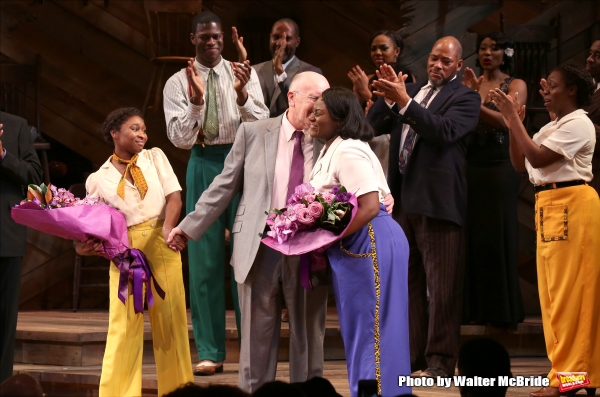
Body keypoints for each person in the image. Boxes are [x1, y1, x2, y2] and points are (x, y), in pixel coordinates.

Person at [167, 72, 331, 393]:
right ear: (292, 97)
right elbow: (223, 187)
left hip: (309, 251)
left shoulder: (330, 140)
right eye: (314, 98)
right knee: (255, 344)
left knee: (308, 342)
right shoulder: (254, 132)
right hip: (260, 248)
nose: (319, 107)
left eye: (324, 100)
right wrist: (188, 227)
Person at [163, 10, 269, 375]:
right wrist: (195, 102)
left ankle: (251, 347)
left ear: (224, 38)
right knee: (204, 260)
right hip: (204, 160)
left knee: (246, 257)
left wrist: (241, 96)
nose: (212, 42)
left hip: (241, 162)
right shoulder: (177, 82)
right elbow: (179, 138)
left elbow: (262, 123)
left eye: (217, 37)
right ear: (193, 39)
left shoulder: (241, 73)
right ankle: (210, 351)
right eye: (205, 37)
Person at [367, 36, 481, 378]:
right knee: (408, 283)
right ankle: (412, 358)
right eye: (434, 58)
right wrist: (389, 97)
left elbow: (443, 131)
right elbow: (372, 127)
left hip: (438, 204)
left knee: (442, 289)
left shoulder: (466, 98)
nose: (437, 65)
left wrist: (404, 102)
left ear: (458, 66)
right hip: (403, 201)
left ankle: (440, 363)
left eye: (446, 61)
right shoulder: (410, 90)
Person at [493, 64, 599, 397]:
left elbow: (537, 159)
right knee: (552, 297)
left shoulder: (579, 122)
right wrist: (516, 125)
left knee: (570, 296)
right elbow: (518, 162)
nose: (545, 90)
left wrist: (512, 120)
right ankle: (566, 373)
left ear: (572, 91)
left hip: (572, 203)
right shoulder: (554, 126)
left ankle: (573, 377)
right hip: (550, 205)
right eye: (544, 85)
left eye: (552, 85)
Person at [75, 108, 193, 396]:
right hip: (125, 254)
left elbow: (174, 197)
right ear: (115, 133)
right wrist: (83, 246)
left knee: (171, 327)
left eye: (143, 129)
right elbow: (91, 223)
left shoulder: (155, 157)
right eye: (134, 128)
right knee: (123, 329)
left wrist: (168, 228)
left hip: (162, 245)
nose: (142, 134)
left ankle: (179, 392)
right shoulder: (97, 178)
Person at [308, 87, 411, 397]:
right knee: (363, 329)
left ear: (339, 118)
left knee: (371, 330)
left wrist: (326, 241)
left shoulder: (349, 149)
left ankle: (378, 393)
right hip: (359, 243)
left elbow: (369, 206)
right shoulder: (332, 148)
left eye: (319, 111)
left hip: (368, 241)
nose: (312, 115)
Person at [460, 32, 526, 330]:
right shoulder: (470, 82)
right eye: (483, 47)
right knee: (471, 236)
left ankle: (500, 310)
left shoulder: (515, 84)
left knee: (496, 234)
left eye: (494, 47)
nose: (488, 52)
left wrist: (473, 100)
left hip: (500, 165)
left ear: (506, 52)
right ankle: (472, 307)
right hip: (470, 164)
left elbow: (508, 121)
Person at [0, 112, 42, 383]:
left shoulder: (16, 125)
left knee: (4, 322)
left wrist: (3, 155)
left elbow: (35, 179)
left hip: (5, 236)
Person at [348, 30, 415, 177]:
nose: (377, 52)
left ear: (397, 50)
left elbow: (403, 110)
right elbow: (357, 111)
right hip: (367, 138)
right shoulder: (368, 77)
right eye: (373, 49)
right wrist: (358, 95)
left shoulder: (405, 76)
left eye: (383, 48)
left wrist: (366, 93)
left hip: (391, 143)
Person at [236, 18, 323, 117]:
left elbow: (306, 109)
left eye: (287, 39)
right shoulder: (255, 71)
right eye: (276, 37)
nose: (280, 43)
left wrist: (281, 74)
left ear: (297, 42)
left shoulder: (311, 73)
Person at [584, 39, 600, 194]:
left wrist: (578, 122)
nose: (590, 59)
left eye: (598, 55)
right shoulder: (589, 86)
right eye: (590, 53)